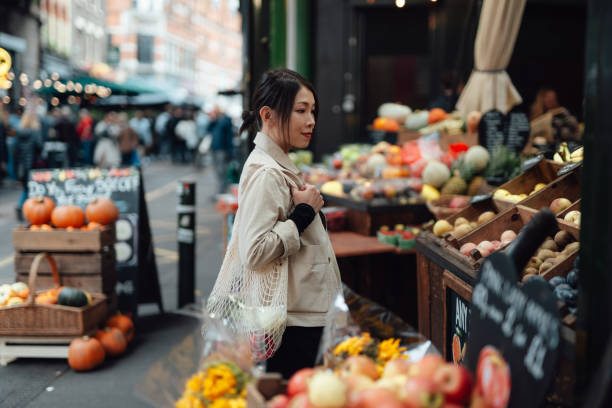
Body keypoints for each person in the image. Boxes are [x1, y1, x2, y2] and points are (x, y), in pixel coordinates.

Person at [209, 68, 342, 379]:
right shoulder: (267, 173)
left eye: (313, 111)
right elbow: (254, 250)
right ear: (268, 115)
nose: (311, 121)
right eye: (300, 111)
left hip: (299, 314)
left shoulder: (275, 164)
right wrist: (303, 214)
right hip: (291, 322)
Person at [14, 111, 42, 220]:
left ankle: (21, 206)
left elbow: (15, 151)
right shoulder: (35, 132)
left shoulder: (19, 132)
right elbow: (39, 146)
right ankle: (30, 210)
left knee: (26, 189)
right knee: (32, 189)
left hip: (22, 166)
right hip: (33, 165)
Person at [207, 105, 234, 194]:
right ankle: (218, 191)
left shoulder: (225, 120)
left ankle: (221, 192)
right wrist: (211, 121)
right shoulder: (215, 121)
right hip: (214, 148)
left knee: (221, 171)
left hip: (222, 149)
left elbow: (229, 137)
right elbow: (208, 130)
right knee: (216, 171)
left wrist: (230, 152)